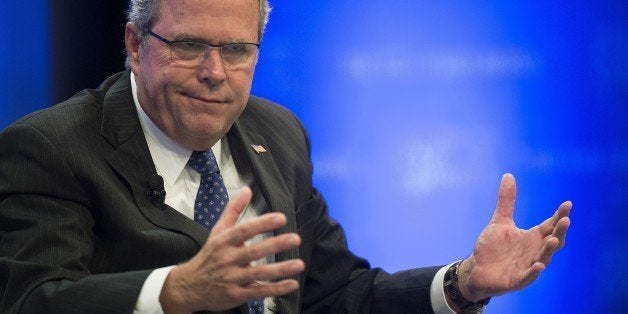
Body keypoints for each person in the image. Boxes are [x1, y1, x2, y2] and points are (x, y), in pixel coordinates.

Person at [0, 0, 571, 313]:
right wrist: (174, 292)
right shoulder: (51, 148)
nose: (213, 72)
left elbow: (334, 292)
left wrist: (462, 284)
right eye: (190, 45)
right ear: (134, 45)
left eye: (236, 50)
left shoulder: (277, 132)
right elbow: (30, 302)